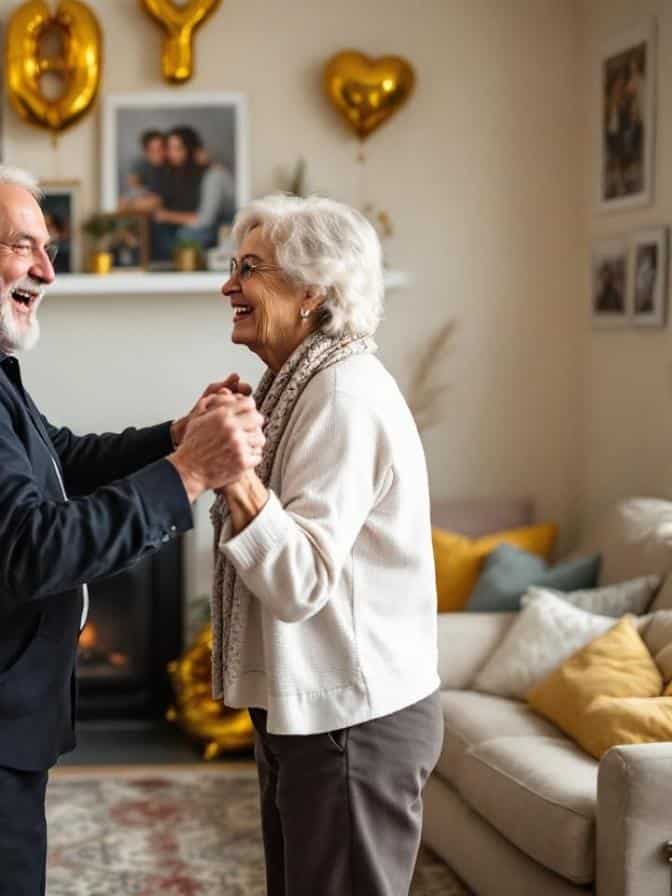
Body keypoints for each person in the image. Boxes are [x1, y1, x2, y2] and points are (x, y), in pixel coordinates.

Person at [0, 159, 263, 894]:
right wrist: (190, 472)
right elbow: (30, 551)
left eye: (49, 249)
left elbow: (58, 458)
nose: (47, 271)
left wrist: (176, 436)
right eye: (24, 246)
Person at [210, 194, 442, 896]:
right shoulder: (298, 387)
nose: (228, 286)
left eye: (249, 269)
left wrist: (236, 474)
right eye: (233, 266)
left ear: (313, 291)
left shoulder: (342, 395)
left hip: (352, 723)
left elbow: (300, 580)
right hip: (316, 713)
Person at [154, 126, 235, 252]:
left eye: (178, 148)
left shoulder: (213, 174)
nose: (172, 154)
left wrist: (167, 216)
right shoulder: (176, 173)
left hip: (222, 225)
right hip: (197, 224)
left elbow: (205, 219)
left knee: (185, 236)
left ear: (191, 150)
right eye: (169, 148)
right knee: (159, 230)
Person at [120, 129, 167, 212]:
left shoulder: (170, 164)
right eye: (152, 150)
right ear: (145, 151)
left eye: (160, 149)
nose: (158, 154)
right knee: (122, 201)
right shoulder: (139, 163)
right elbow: (133, 186)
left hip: (161, 200)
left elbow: (165, 195)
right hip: (143, 197)